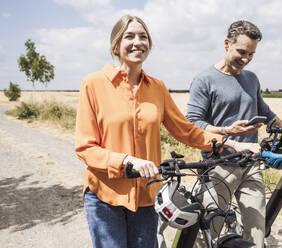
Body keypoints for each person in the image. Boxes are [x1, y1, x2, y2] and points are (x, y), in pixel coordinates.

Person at [75, 15, 261, 248]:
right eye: (129, 36)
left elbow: (187, 131)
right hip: (105, 195)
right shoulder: (93, 84)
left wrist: (232, 144)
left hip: (146, 194)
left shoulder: (157, 88)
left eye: (143, 37)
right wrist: (127, 161)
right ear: (115, 45)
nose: (137, 42)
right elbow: (85, 148)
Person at [186, 20, 282, 248]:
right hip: (218, 165)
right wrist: (227, 131)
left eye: (251, 54)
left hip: (251, 163)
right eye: (241, 52)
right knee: (210, 231)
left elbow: (267, 114)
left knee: (256, 230)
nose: (245, 59)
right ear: (226, 44)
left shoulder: (251, 78)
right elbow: (193, 123)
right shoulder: (204, 80)